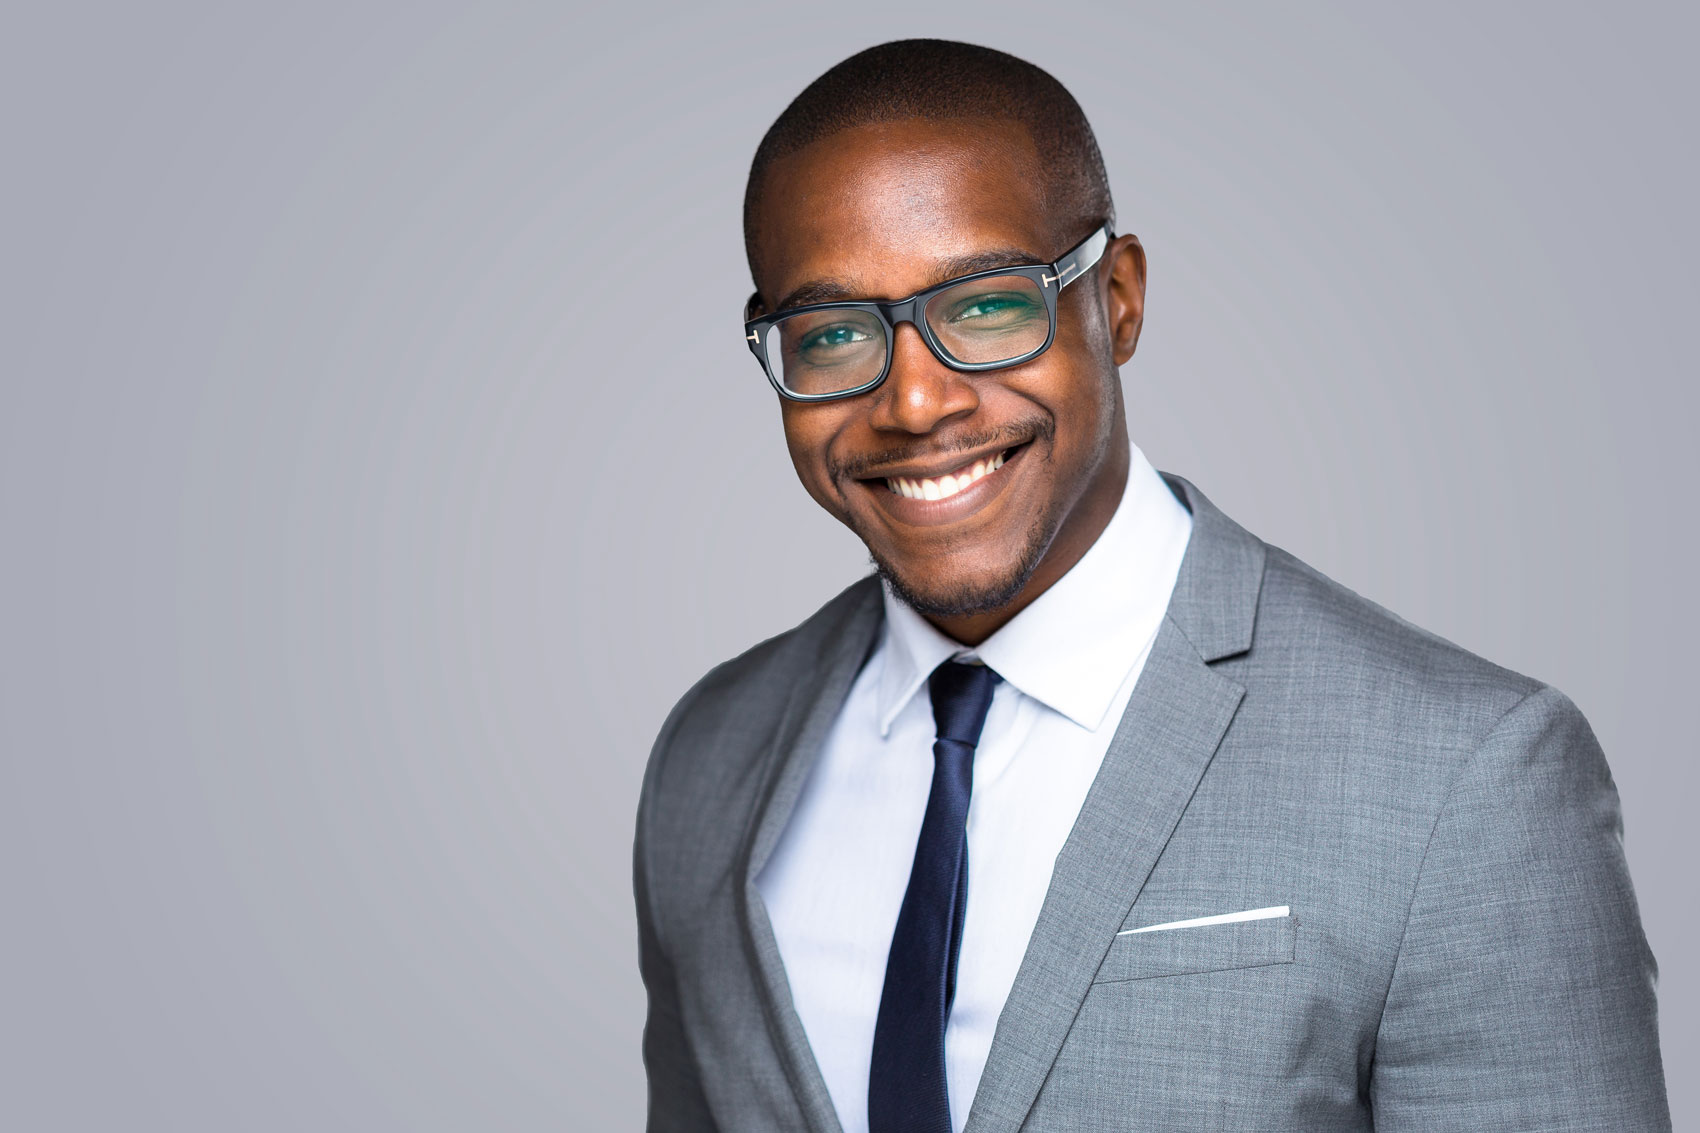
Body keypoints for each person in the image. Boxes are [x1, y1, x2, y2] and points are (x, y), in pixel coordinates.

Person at [632, 38, 1669, 1133]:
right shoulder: (710, 755)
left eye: (985, 305)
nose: (913, 401)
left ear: (1115, 300)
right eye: (833, 332)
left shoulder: (1468, 777)